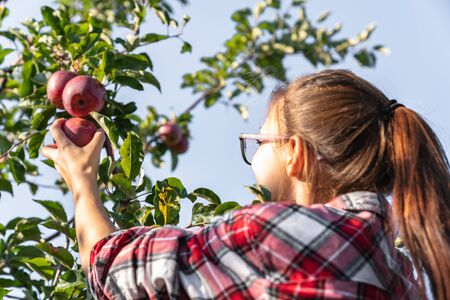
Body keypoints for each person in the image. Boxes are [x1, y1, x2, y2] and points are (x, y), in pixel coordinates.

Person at [40, 69, 450, 300]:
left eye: (260, 138)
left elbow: (113, 266)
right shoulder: (404, 274)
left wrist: (82, 181)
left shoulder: (268, 234)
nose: (254, 147)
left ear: (294, 154)